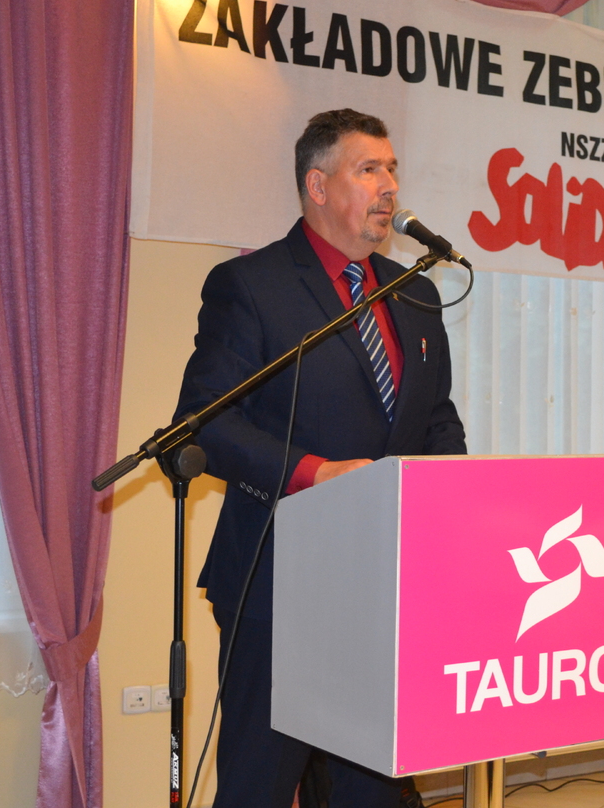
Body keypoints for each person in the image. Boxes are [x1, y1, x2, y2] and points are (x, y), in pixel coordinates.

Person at [174, 108, 467, 808]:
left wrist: (449, 495)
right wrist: (316, 474)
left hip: (383, 585)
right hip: (277, 580)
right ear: (318, 186)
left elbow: (436, 417)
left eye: (392, 169)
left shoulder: (415, 291)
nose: (389, 186)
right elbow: (205, 422)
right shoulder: (252, 286)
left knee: (373, 787)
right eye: (369, 169)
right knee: (260, 785)